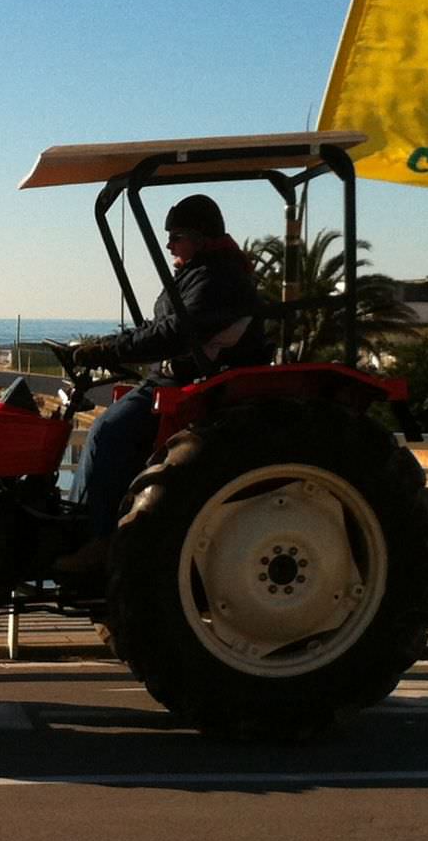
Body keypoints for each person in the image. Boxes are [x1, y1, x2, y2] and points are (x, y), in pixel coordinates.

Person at [53, 193, 271, 576]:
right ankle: (82, 525)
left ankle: (99, 538)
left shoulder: (218, 277)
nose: (170, 243)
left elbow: (175, 332)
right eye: (168, 236)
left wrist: (108, 351)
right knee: (108, 427)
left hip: (195, 381)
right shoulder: (201, 272)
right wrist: (108, 346)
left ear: (201, 237)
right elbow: (160, 328)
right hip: (175, 375)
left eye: (177, 235)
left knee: (108, 430)